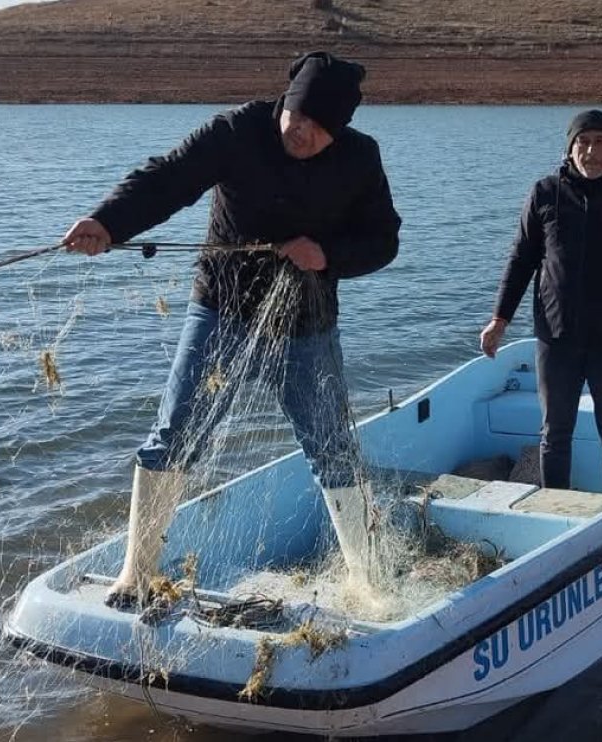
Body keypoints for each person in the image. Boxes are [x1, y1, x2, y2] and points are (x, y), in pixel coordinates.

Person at [63, 51, 401, 606]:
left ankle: (368, 580)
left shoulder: (362, 158)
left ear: (340, 132)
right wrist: (108, 221)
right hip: (221, 310)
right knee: (173, 435)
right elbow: (167, 179)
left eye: (320, 130)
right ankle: (135, 573)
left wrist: (327, 254)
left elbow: (384, 240)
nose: (304, 133)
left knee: (333, 448)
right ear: (285, 103)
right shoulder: (237, 130)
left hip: (306, 325)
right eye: (299, 118)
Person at [479, 110, 602, 496]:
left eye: (600, 141)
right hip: (556, 338)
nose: (591, 151)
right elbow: (521, 260)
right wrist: (499, 320)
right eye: (583, 142)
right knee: (554, 434)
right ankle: (554, 510)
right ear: (569, 149)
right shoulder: (544, 193)